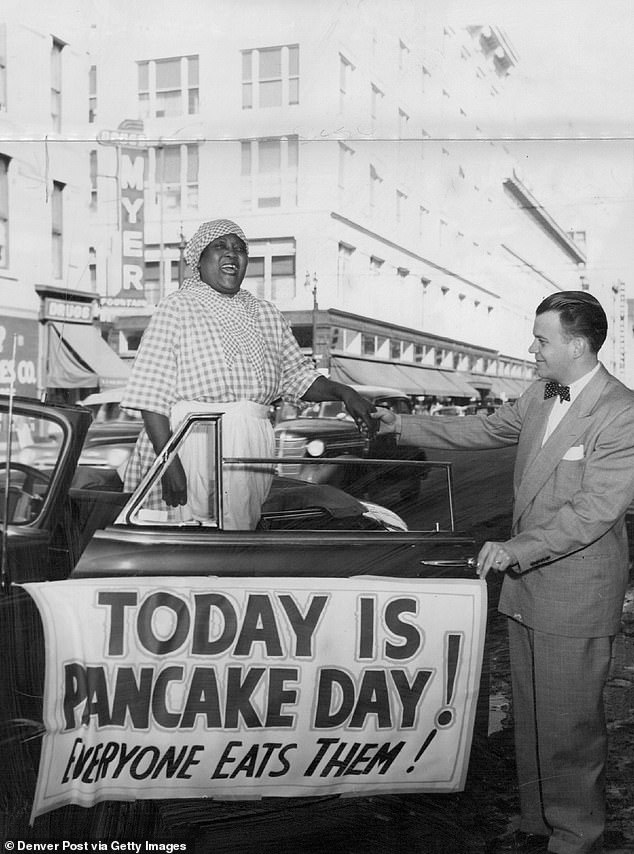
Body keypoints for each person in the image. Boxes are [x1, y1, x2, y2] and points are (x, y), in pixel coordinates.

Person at [372, 291, 634, 854]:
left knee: (570, 728)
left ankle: (576, 838)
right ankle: (541, 824)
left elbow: (594, 512)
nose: (532, 349)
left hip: (575, 588)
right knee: (534, 717)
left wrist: (517, 549)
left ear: (577, 345)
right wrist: (402, 426)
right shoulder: (541, 393)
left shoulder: (621, 411)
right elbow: (486, 430)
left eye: (541, 340)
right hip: (528, 584)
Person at [121, 218, 375, 529]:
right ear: (199, 259)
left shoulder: (266, 313)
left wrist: (345, 393)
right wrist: (168, 464)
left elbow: (298, 377)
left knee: (238, 538)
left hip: (251, 448)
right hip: (192, 444)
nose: (231, 253)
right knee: (190, 539)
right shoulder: (176, 308)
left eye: (239, 249)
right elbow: (150, 397)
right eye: (220, 246)